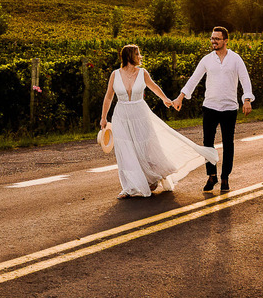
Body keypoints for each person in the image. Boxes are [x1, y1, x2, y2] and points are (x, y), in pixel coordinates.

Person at [101, 44, 219, 198]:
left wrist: (165, 99)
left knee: (147, 148)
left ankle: (153, 177)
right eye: (137, 54)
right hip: (121, 116)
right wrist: (104, 117)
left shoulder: (142, 73)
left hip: (140, 114)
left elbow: (154, 87)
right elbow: (109, 96)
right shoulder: (115, 75)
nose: (140, 57)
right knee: (126, 151)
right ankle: (129, 187)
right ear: (130, 56)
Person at [172, 26, 254, 193]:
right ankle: (211, 175)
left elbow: (245, 80)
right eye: (212, 38)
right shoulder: (207, 60)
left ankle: (225, 178)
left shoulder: (236, 59)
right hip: (210, 107)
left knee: (228, 143)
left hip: (229, 108)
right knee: (208, 144)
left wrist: (247, 99)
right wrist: (181, 97)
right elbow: (194, 79)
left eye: (217, 38)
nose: (213, 41)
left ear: (225, 40)